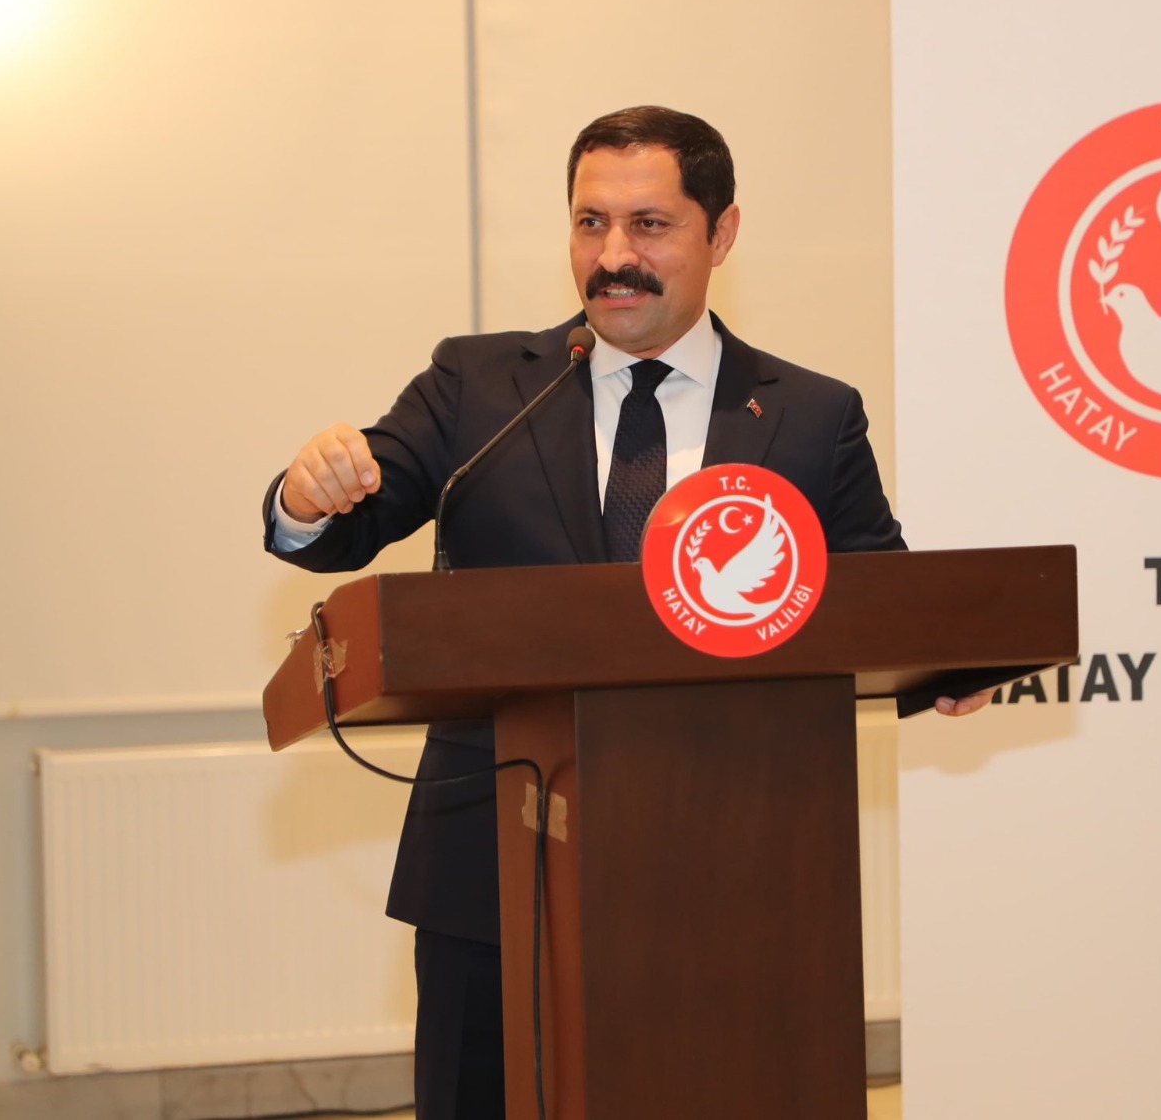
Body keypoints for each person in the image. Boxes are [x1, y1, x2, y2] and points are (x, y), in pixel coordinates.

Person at [263, 105, 989, 1120]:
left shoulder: (809, 413)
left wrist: (952, 663)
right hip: (493, 865)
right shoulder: (480, 386)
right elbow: (352, 520)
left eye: (649, 225)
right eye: (589, 223)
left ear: (721, 234)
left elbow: (878, 593)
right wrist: (307, 497)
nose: (613, 257)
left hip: (735, 862)